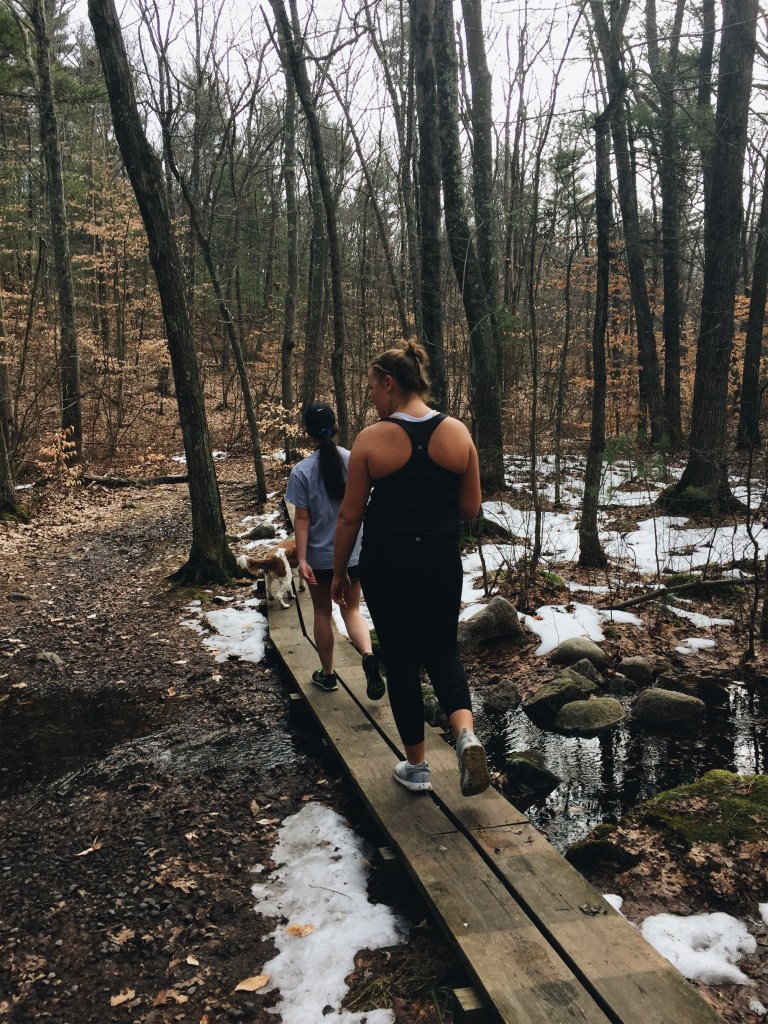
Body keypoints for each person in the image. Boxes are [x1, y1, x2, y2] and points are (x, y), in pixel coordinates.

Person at [331, 342, 489, 797]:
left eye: (371, 388)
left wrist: (340, 573)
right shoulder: (457, 432)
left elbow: (349, 517)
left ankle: (417, 767)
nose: (371, 397)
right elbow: (471, 508)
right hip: (439, 556)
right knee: (442, 650)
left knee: (401, 660)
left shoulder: (371, 439)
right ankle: (465, 735)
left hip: (388, 560)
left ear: (389, 383)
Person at [285, 402, 384, 699]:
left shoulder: (302, 471)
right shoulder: (354, 461)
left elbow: (302, 519)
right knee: (351, 609)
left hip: (320, 558)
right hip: (354, 552)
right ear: (336, 427)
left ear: (308, 433)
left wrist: (302, 559)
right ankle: (368, 655)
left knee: (322, 612)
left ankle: (328, 675)